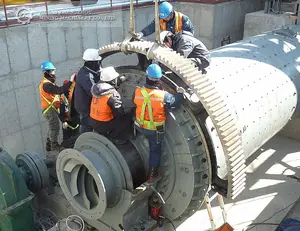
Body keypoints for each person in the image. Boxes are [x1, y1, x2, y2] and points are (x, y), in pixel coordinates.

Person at [132, 64, 185, 180]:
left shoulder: (137, 92)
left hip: (140, 126)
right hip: (155, 130)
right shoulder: (163, 96)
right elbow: (175, 103)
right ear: (159, 79)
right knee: (155, 150)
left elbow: (134, 101)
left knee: (142, 137)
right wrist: (180, 93)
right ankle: (152, 173)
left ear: (146, 76)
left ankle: (138, 147)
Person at [89, 66, 132, 145]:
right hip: (103, 124)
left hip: (92, 121)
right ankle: (115, 137)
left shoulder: (96, 89)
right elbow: (119, 114)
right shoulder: (112, 96)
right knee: (126, 118)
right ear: (112, 81)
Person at [39, 61, 75, 152]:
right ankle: (54, 146)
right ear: (46, 72)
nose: (53, 73)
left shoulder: (46, 82)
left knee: (52, 126)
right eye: (52, 71)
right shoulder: (46, 84)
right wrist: (70, 82)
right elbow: (59, 90)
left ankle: (49, 144)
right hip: (49, 109)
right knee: (54, 127)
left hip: (50, 109)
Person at [74, 48, 102, 134]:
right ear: (92, 62)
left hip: (84, 104)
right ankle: (84, 141)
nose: (99, 63)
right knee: (86, 124)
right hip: (85, 107)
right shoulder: (87, 76)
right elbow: (93, 92)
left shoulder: (86, 71)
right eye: (97, 61)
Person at [58, 77, 80, 148]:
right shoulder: (63, 98)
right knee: (67, 139)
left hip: (75, 121)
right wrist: (64, 121)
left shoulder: (75, 95)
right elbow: (61, 111)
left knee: (76, 138)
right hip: (67, 122)